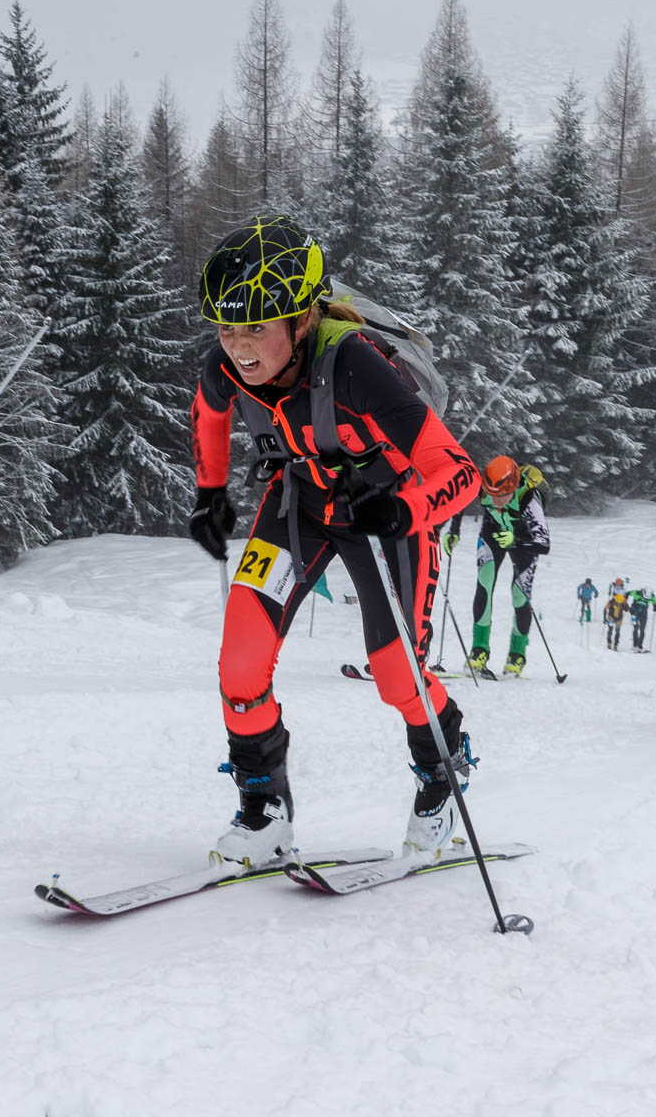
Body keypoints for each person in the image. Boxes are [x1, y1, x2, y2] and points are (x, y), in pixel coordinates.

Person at [187, 216, 481, 866]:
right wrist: (210, 493)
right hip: (299, 504)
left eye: (255, 328)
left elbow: (460, 473)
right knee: (240, 660)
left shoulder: (354, 366)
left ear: (300, 320)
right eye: (227, 328)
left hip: (385, 513)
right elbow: (208, 411)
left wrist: (403, 508)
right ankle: (264, 808)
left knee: (398, 674)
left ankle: (443, 770)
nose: (237, 347)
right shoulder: (228, 363)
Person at [447, 458, 550, 676]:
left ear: (513, 487)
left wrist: (515, 541)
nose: (496, 500)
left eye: (502, 495)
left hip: (524, 540)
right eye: (492, 494)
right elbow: (459, 499)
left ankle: (517, 655)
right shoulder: (485, 488)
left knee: (519, 595)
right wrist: (454, 531)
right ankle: (479, 651)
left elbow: (544, 543)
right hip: (492, 532)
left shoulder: (529, 498)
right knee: (484, 582)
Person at [629, 586, 654, 652]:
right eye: (645, 597)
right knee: (635, 628)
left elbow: (654, 600)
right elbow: (627, 593)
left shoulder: (652, 595)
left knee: (642, 630)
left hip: (644, 613)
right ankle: (635, 645)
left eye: (647, 598)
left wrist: (655, 606)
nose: (645, 598)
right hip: (634, 612)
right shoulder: (636, 592)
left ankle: (640, 646)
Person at [603, 582, 628, 651]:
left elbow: (628, 609)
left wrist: (628, 610)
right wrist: (604, 618)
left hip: (619, 618)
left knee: (617, 631)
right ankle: (609, 642)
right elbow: (605, 609)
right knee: (610, 630)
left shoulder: (623, 601)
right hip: (611, 617)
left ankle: (616, 644)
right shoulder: (611, 601)